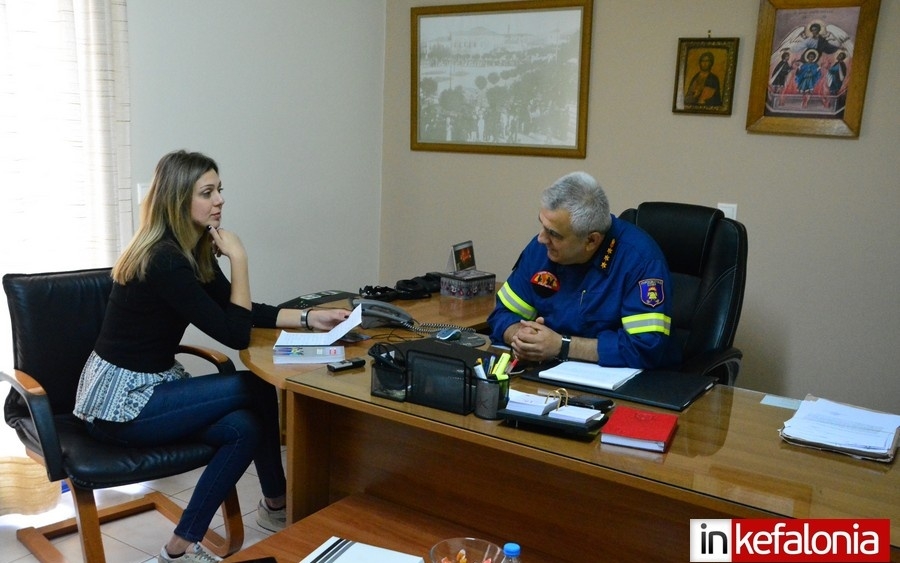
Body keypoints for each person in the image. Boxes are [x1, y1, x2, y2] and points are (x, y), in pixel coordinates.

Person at [73, 150, 349, 563]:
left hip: (151, 387)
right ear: (178, 199)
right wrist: (239, 258)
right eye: (207, 192)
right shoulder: (165, 260)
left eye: (219, 189)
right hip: (120, 405)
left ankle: (180, 547)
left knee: (244, 427)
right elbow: (235, 333)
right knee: (255, 386)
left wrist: (311, 318)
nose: (220, 200)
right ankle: (277, 502)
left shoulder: (191, 248)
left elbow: (241, 310)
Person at [487, 171, 680, 369]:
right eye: (542, 225)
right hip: (547, 373)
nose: (541, 238)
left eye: (553, 234)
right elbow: (502, 313)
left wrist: (562, 346)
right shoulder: (541, 250)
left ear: (591, 241)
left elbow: (644, 347)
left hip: (624, 381)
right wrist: (521, 337)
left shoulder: (640, 261)